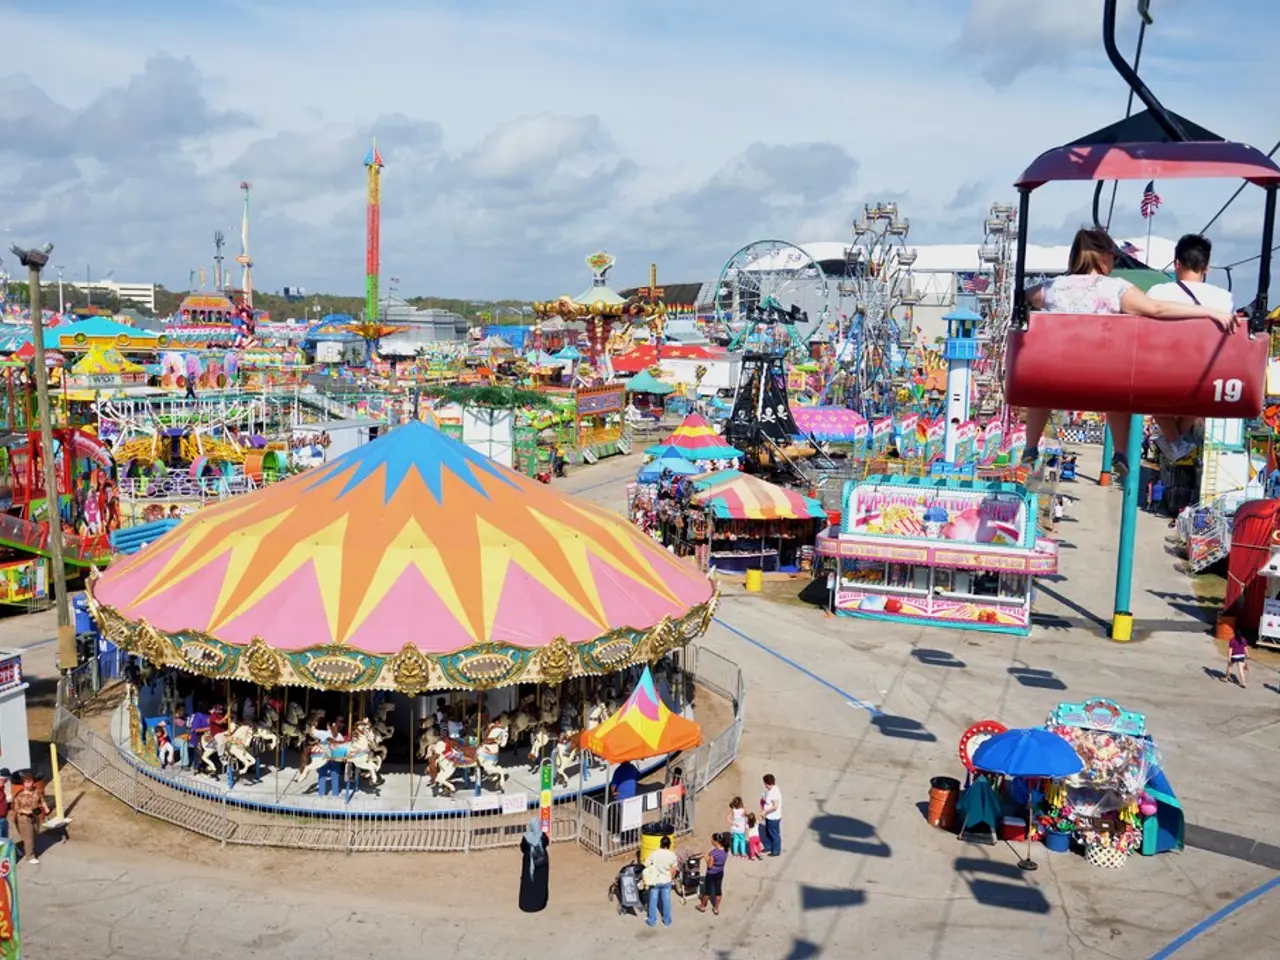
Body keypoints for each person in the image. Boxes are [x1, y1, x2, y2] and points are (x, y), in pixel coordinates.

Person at [1020, 228, 1237, 479]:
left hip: (1059, 379)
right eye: (1113, 257)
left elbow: (1025, 297)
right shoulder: (1116, 289)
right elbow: (1155, 309)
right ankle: (1121, 451)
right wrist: (1209, 312)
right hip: (1102, 381)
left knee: (1040, 392)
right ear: (1102, 258)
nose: (1114, 262)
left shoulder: (1051, 288)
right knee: (1120, 393)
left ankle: (1031, 445)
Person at [1146, 234, 1236, 462]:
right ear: (1206, 267)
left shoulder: (1157, 292)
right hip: (1204, 374)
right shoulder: (1224, 299)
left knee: (1151, 401)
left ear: (1177, 263)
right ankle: (1175, 442)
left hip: (1163, 372)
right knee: (1200, 399)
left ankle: (1175, 443)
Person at [642, 834, 680, 928]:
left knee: (653, 900)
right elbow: (674, 870)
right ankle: (667, 920)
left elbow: (646, 864)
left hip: (655, 881)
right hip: (666, 880)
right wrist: (671, 878)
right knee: (666, 900)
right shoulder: (672, 855)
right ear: (669, 844)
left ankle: (651, 920)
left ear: (660, 844)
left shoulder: (654, 853)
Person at [12, 771, 48, 865]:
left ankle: (20, 848)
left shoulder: (36, 791)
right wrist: (24, 811)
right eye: (26, 782)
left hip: (35, 816)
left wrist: (46, 807)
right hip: (24, 818)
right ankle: (30, 856)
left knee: (34, 834)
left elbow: (41, 800)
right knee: (29, 838)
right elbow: (16, 808)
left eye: (30, 781)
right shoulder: (19, 795)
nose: (29, 784)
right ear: (23, 783)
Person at [518, 816, 550, 913]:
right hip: (542, 863)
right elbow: (546, 843)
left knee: (529, 882)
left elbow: (523, 848)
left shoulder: (526, 837)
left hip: (529, 862)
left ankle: (528, 903)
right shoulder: (542, 836)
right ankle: (540, 902)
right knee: (540, 882)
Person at [696, 833, 729, 915]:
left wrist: (706, 858)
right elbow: (711, 854)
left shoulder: (715, 852)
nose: (711, 841)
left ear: (716, 841)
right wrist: (708, 854)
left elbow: (710, 865)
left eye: (712, 840)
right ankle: (716, 908)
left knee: (708, 891)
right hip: (720, 872)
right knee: (718, 890)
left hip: (711, 873)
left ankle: (702, 906)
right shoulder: (725, 849)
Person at [760, 773, 783, 857]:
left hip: (773, 817)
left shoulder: (774, 792)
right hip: (770, 817)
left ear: (766, 783)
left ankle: (776, 851)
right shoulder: (772, 789)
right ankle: (768, 846)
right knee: (768, 832)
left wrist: (764, 812)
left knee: (774, 834)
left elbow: (775, 806)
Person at [0, 769, 10, 840]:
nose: (7, 781)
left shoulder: (2, 788)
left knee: (4, 840)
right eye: (6, 780)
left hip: (4, 818)